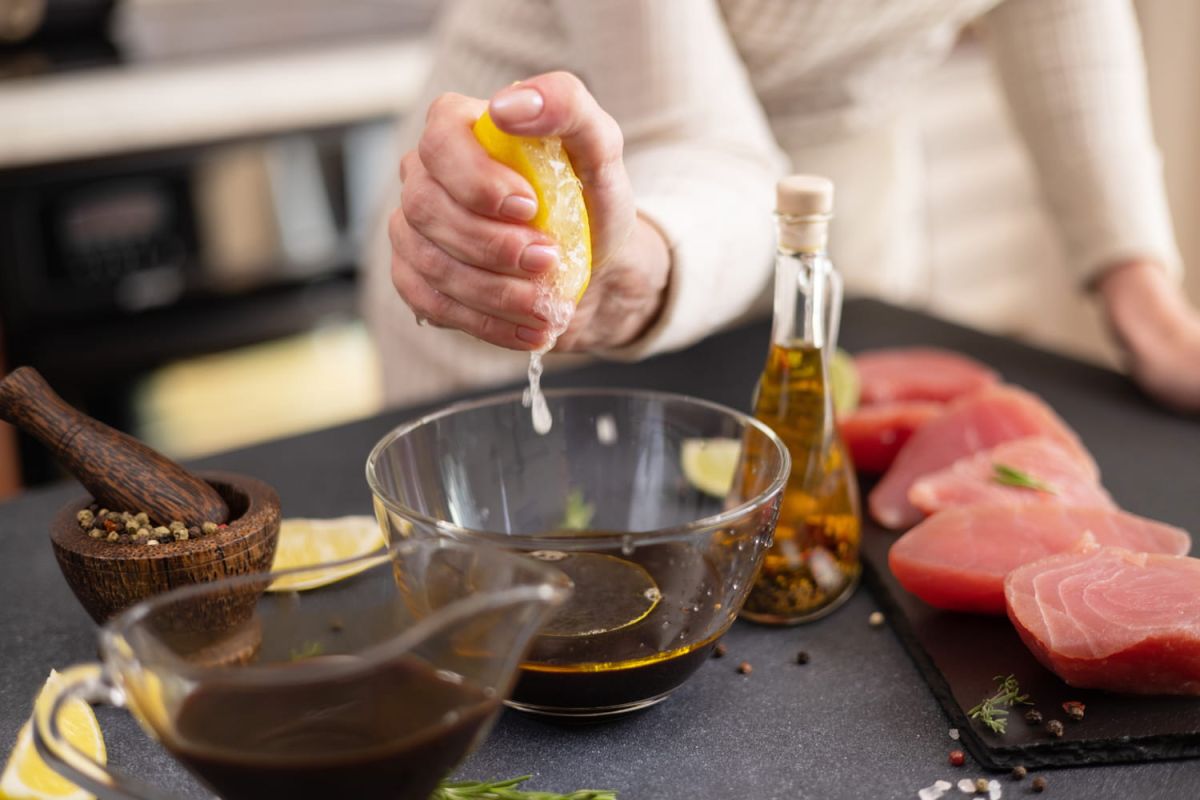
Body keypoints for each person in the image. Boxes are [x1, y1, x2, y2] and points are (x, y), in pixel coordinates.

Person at [366, 0, 1200, 412]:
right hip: (540, 218)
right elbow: (696, 133)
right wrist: (633, 275)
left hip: (839, 219)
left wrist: (1151, 309)